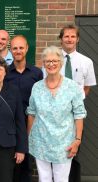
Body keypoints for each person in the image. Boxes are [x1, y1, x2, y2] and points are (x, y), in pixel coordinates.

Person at [27, 46, 86, 182]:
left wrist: (77, 140)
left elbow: (79, 115)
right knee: (44, 178)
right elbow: (32, 113)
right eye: (48, 61)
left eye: (54, 61)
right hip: (40, 141)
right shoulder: (37, 87)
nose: (51, 64)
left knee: (62, 179)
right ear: (43, 64)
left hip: (64, 142)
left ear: (61, 63)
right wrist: (29, 137)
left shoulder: (72, 87)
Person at [56, 25, 96, 182]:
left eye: (73, 36)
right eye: (66, 36)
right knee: (57, 148)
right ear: (61, 39)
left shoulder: (86, 62)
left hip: (75, 114)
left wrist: (75, 102)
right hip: (56, 113)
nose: (69, 39)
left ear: (77, 39)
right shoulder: (52, 59)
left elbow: (87, 87)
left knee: (74, 149)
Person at [5, 35, 43, 182]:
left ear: (27, 48)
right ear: (11, 50)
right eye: (15, 48)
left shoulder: (36, 73)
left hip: (31, 122)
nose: (18, 51)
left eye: (21, 47)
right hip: (10, 122)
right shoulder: (5, 73)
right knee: (10, 162)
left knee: (27, 162)